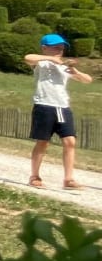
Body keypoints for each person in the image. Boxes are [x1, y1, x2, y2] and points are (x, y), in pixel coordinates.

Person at [24, 34, 92, 190]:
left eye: (61, 47)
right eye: (55, 47)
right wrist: (50, 59)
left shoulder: (64, 66)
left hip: (63, 107)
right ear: (45, 48)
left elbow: (88, 80)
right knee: (43, 142)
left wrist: (75, 71)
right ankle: (34, 176)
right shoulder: (40, 64)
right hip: (43, 105)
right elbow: (28, 58)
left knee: (70, 141)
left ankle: (68, 179)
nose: (60, 49)